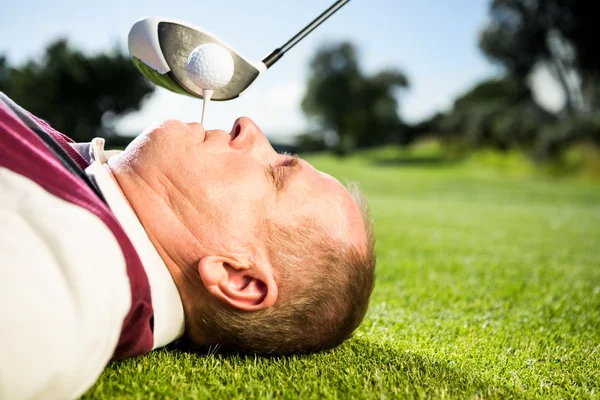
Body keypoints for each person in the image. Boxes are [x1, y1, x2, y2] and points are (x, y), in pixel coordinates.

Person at [0, 91, 376, 400]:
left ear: (236, 278)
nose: (248, 125)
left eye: (275, 171)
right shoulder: (104, 202)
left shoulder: (59, 300)